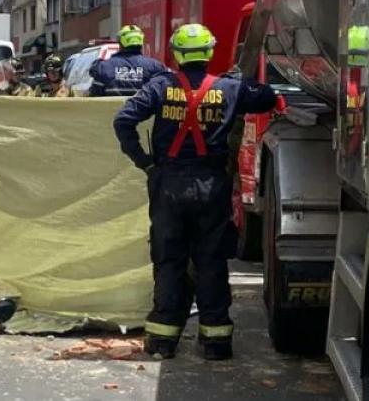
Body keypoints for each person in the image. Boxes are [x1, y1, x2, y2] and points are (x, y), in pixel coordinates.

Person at [113, 23, 280, 361]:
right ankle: (216, 342)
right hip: (211, 187)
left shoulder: (159, 86)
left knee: (169, 261)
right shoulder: (229, 88)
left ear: (176, 53)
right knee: (211, 262)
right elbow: (268, 98)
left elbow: (123, 120)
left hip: (168, 186)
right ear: (208, 52)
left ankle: (162, 341)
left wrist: (144, 162)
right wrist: (241, 81)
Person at [89, 25, 169, 97]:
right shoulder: (156, 67)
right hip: (143, 113)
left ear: (120, 42)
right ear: (141, 42)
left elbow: (94, 96)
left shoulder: (103, 67)